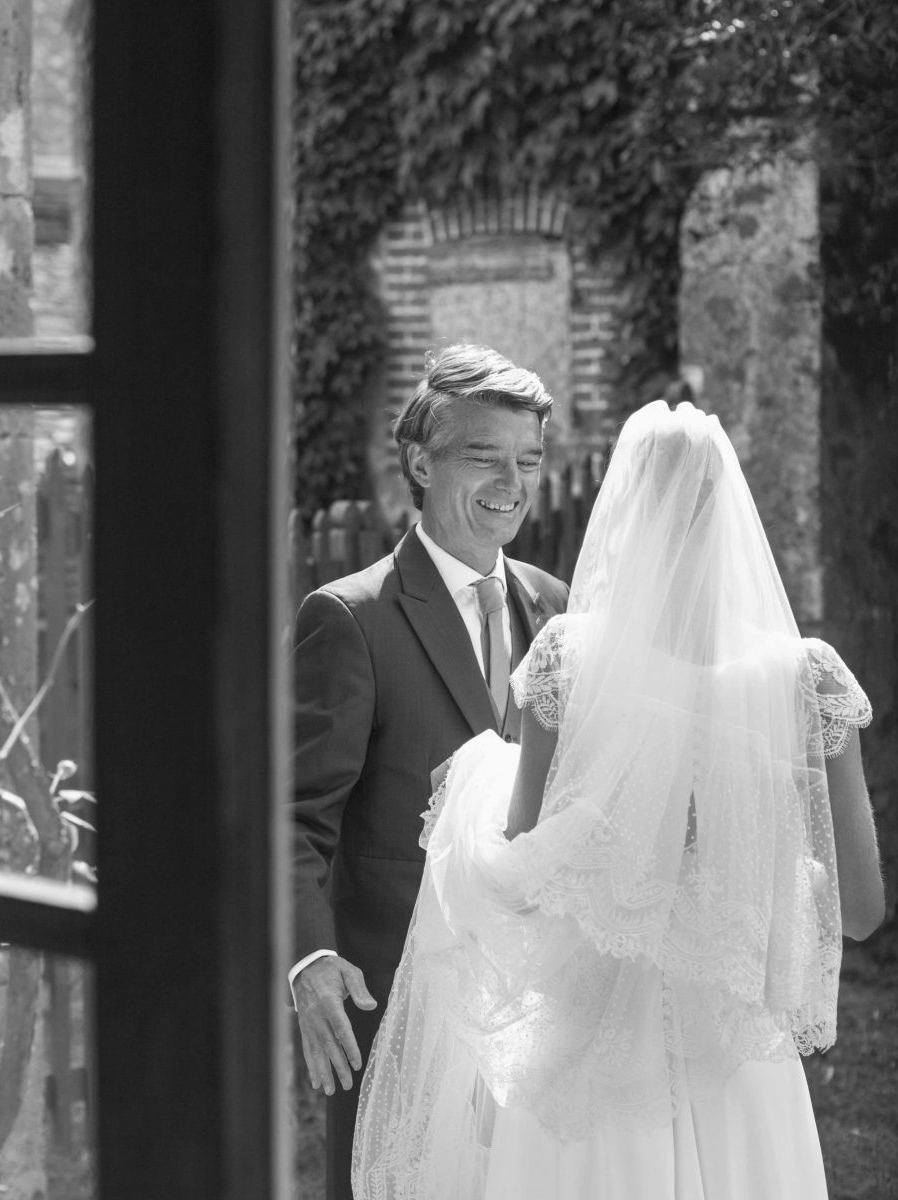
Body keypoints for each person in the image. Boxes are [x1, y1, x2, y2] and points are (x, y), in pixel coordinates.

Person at [352, 399, 885, 1200]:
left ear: (626, 509)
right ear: (730, 513)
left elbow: (525, 874)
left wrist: (474, 784)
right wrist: (762, 870)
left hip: (588, 1058)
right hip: (737, 1067)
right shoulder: (808, 678)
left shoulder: (568, 660)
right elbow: (863, 912)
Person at [291, 345, 573, 1199]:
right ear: (421, 462)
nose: (512, 484)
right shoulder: (350, 617)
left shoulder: (558, 609)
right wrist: (310, 960)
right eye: (485, 456)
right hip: (398, 1006)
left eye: (528, 460)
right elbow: (292, 819)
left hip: (537, 1009)